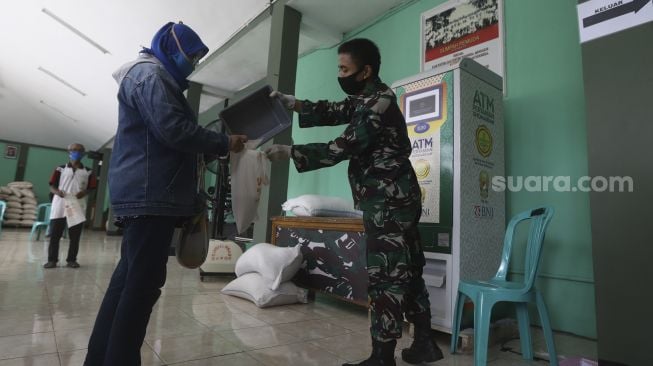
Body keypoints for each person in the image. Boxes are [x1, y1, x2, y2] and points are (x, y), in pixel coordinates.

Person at [267, 38, 443, 366]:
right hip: (397, 197)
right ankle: (425, 344)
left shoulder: (379, 102)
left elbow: (343, 146)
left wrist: (292, 152)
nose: (340, 74)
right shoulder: (366, 97)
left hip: (389, 199)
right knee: (408, 270)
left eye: (344, 69)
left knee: (386, 275)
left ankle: (382, 356)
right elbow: (336, 110)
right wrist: (294, 103)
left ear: (365, 71)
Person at [84, 22, 247, 366]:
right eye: (190, 56)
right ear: (170, 48)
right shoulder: (151, 75)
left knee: (127, 282)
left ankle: (100, 358)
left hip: (147, 194)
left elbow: (168, 135)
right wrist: (222, 142)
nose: (193, 63)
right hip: (150, 196)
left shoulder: (151, 77)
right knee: (142, 287)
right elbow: (173, 130)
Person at [43, 143, 96, 269]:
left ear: (83, 153)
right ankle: (52, 260)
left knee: (75, 235)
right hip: (60, 204)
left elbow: (92, 187)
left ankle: (71, 260)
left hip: (77, 204)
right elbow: (51, 185)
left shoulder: (88, 171)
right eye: (73, 150)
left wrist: (84, 192)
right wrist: (57, 192)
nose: (76, 152)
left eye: (79, 150)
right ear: (68, 152)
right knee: (55, 234)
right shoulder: (60, 169)